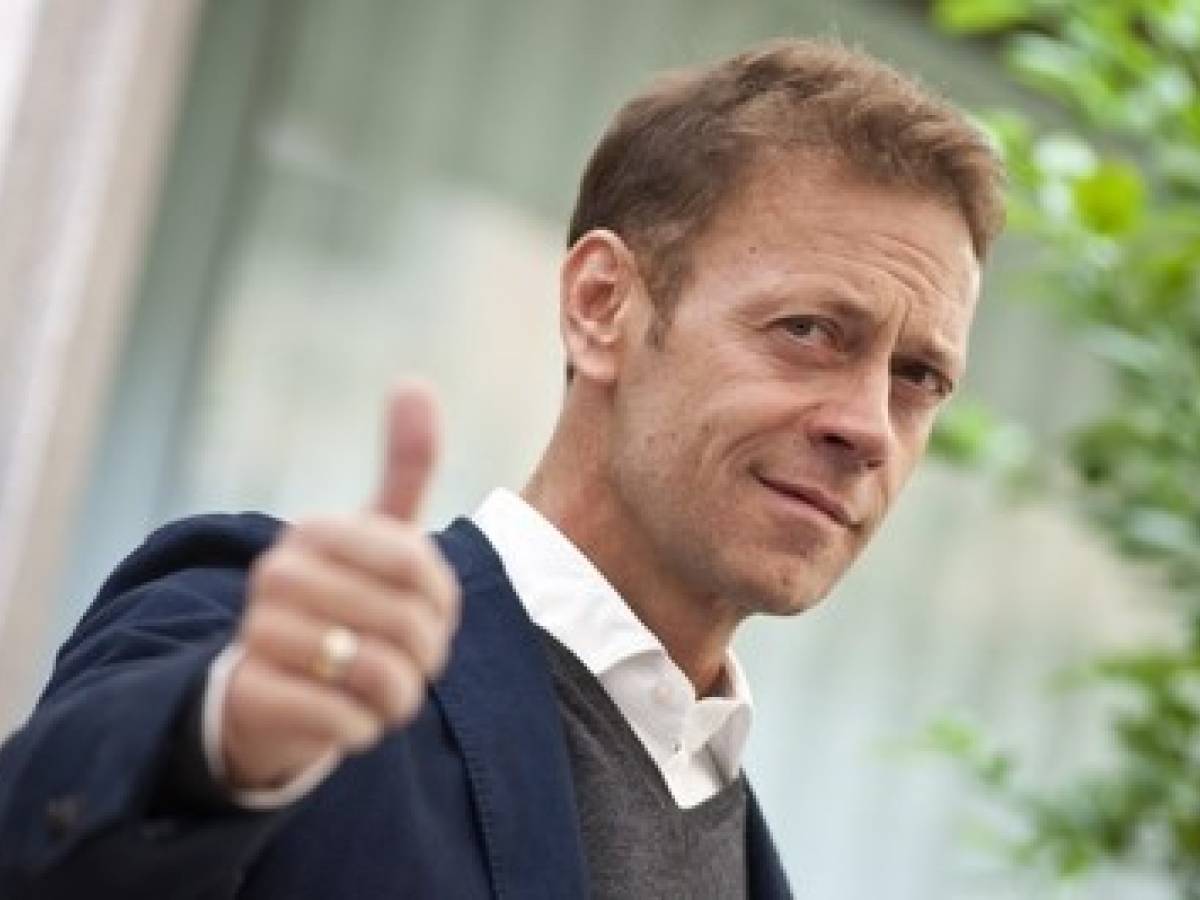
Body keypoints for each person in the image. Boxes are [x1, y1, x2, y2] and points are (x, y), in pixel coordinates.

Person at [0, 37, 1004, 899]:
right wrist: (219, 742)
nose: (868, 427)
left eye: (918, 377)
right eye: (810, 330)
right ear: (602, 305)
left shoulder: (735, 843)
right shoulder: (288, 647)